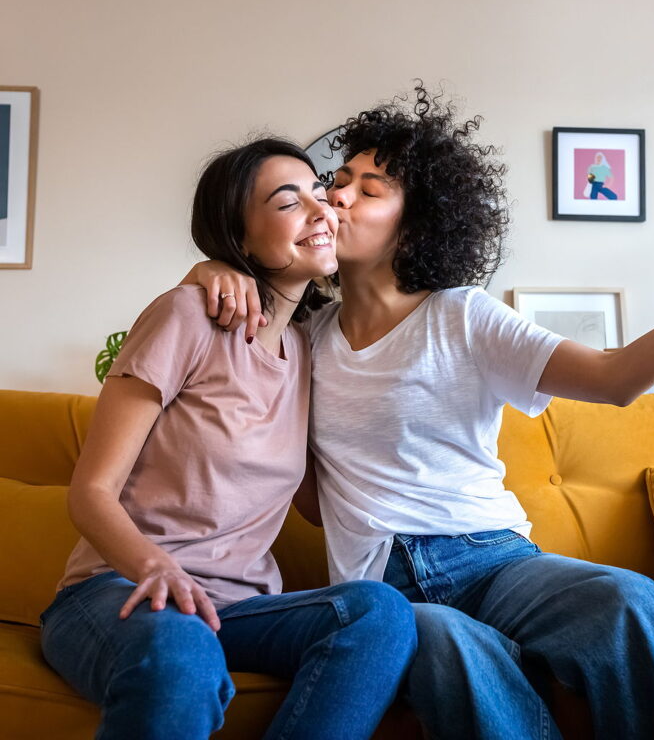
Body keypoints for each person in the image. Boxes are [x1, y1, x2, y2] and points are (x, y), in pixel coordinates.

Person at [182, 84, 654, 739]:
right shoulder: (302, 341)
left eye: (369, 190)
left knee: (634, 603)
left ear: (415, 222)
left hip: (495, 562)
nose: (336, 196)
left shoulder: (462, 316)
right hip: (386, 588)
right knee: (444, 642)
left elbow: (616, 378)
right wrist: (210, 268)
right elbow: (307, 496)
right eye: (335, 181)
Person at [39, 138, 424, 740]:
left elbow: (318, 508)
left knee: (377, 615)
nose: (321, 210)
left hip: (239, 611)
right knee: (178, 645)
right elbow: (91, 491)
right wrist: (158, 569)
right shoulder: (186, 317)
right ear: (239, 238)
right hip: (121, 591)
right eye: (287, 202)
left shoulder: (307, 349)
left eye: (317, 194)